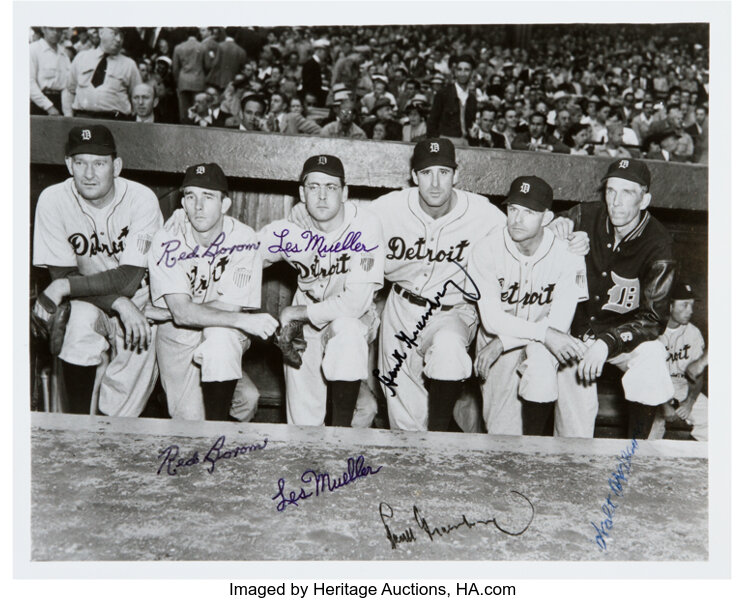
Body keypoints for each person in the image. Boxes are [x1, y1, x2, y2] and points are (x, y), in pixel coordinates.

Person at [32, 124, 162, 416]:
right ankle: (77, 434)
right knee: (76, 327)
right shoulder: (53, 200)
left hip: (141, 301)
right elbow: (61, 275)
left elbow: (129, 280)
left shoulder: (142, 199)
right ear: (69, 165)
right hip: (91, 301)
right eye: (81, 163)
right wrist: (116, 302)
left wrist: (66, 287)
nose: (89, 174)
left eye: (99, 163)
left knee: (119, 412)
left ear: (116, 166)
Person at [550, 158, 676, 439]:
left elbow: (654, 319)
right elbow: (541, 233)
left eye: (627, 193)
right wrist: (556, 230)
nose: (616, 202)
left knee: (653, 357)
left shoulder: (658, 243)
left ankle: (636, 452)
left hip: (623, 335)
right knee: (574, 435)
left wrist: (609, 342)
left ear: (645, 200)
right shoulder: (585, 215)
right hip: (577, 335)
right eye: (611, 191)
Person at [259, 155, 385, 427]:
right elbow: (242, 253)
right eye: (314, 187)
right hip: (306, 325)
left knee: (347, 331)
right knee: (304, 421)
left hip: (352, 317)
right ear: (302, 194)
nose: (322, 196)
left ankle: (341, 441)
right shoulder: (292, 229)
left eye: (331, 187)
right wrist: (182, 220)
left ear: (345, 193)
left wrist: (297, 313)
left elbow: (354, 304)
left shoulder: (365, 226)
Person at [148, 163, 277, 421]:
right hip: (178, 336)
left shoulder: (243, 237)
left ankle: (219, 441)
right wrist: (247, 321)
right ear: (182, 204)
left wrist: (179, 309)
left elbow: (228, 309)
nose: (198, 206)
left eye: (208, 197)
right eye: (190, 196)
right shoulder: (166, 238)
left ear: (225, 204)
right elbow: (183, 316)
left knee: (242, 389)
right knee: (190, 423)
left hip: (219, 329)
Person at [469, 176, 588, 436]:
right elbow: (491, 321)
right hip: (499, 340)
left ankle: (536, 450)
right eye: (513, 209)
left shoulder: (568, 253)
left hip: (529, 342)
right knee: (501, 435)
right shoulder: (486, 249)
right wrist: (532, 336)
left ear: (547, 218)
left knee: (542, 369)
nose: (516, 219)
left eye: (529, 212)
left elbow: (559, 325)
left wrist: (504, 341)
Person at [649, 281, 708, 441]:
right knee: (648, 435)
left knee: (713, 418)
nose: (690, 311)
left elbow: (698, 373)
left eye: (692, 305)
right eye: (684, 305)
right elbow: (647, 377)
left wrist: (690, 402)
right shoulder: (651, 331)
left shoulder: (693, 333)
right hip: (653, 388)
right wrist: (665, 405)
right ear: (669, 306)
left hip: (682, 387)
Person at [65, 27, 142, 120]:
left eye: (122, 35)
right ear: (101, 33)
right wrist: (68, 117)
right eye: (115, 33)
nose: (119, 39)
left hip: (115, 122)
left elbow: (138, 96)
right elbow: (70, 90)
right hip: (83, 119)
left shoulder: (129, 64)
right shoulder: (82, 58)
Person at [426, 55, 477, 146]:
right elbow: (432, 124)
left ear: (472, 73)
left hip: (465, 145)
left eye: (466, 70)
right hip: (445, 143)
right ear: (455, 72)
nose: (462, 73)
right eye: (459, 69)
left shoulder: (472, 99)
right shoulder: (443, 94)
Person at [30, 26, 71, 116]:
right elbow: (29, 83)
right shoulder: (33, 49)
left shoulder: (64, 53)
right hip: (39, 104)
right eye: (52, 29)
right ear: (43, 29)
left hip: (61, 103)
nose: (56, 33)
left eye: (59, 30)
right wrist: (48, 107)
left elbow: (66, 84)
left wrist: (68, 112)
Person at [172, 28, 208, 123]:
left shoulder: (178, 47)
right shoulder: (202, 47)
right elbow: (207, 65)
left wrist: (178, 81)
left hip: (183, 81)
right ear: (197, 34)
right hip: (198, 81)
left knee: (184, 111)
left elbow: (175, 68)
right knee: (199, 109)